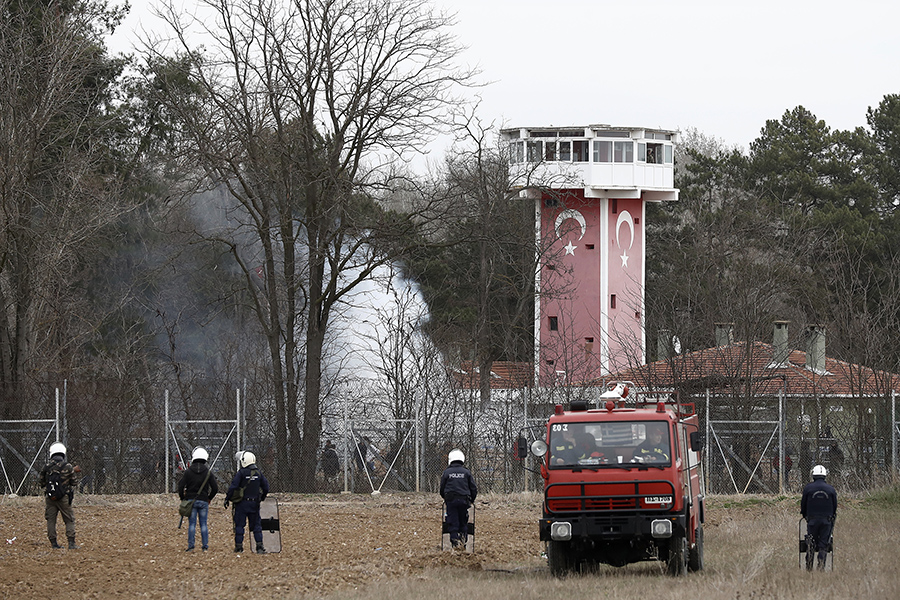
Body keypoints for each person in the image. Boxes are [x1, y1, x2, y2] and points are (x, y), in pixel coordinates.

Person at [225, 450, 270, 553]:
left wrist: (227, 498)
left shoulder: (241, 473)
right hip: (254, 503)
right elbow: (266, 487)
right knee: (256, 526)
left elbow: (233, 486)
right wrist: (262, 497)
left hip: (242, 504)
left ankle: (239, 547)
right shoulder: (258, 473)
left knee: (240, 525)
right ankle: (259, 547)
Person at [38, 442, 79, 549]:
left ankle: (53, 543)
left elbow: (41, 482)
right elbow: (74, 482)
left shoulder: (46, 467)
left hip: (50, 498)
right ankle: (71, 543)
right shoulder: (68, 466)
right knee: (69, 520)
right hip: (64, 498)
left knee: (51, 520)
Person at [177, 446, 219, 552]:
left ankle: (191, 546)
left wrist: (183, 498)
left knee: (192, 524)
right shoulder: (208, 473)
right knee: (203, 524)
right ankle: (205, 546)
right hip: (204, 500)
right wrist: (209, 498)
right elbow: (215, 488)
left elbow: (180, 486)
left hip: (191, 501)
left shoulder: (188, 472)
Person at [801, 464, 837, 571]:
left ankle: (809, 566)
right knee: (823, 544)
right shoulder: (831, 489)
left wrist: (805, 516)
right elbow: (835, 506)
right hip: (827, 521)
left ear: (813, 475)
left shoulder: (808, 488)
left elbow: (803, 505)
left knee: (811, 542)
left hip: (812, 520)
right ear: (825, 476)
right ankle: (821, 566)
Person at [439, 449, 478, 549]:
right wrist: (471, 500)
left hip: (451, 500)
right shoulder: (466, 472)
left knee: (452, 521)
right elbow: (473, 488)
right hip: (464, 500)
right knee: (463, 521)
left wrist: (446, 498)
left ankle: (455, 542)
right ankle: (463, 541)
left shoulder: (446, 472)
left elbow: (442, 488)